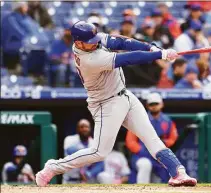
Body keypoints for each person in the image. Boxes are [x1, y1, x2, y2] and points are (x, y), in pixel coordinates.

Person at [35, 21, 197, 187]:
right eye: (91, 42)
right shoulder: (90, 60)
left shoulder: (89, 41)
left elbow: (119, 42)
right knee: (99, 152)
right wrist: (159, 55)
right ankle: (53, 167)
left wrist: (150, 47)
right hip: (106, 103)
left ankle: (178, 172)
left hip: (124, 95)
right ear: (78, 43)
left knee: (151, 137)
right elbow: (127, 58)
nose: (96, 43)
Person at [126, 93, 178, 183]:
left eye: (156, 104)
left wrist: (164, 144)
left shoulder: (167, 121)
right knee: (145, 164)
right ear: (147, 106)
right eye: (151, 104)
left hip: (159, 156)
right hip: (141, 156)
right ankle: (141, 189)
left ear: (162, 104)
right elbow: (130, 141)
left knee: (166, 173)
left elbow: (173, 138)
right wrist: (142, 150)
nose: (154, 106)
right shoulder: (140, 119)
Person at [1, 1, 46, 72]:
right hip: (14, 49)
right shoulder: (10, 18)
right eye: (25, 6)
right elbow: (17, 32)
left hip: (30, 46)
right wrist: (28, 40)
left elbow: (37, 30)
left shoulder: (27, 18)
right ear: (19, 7)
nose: (27, 7)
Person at [62, 119, 103, 184]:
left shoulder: (94, 143)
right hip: (70, 180)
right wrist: (91, 155)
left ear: (90, 129)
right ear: (77, 129)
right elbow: (70, 151)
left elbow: (101, 163)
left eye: (86, 127)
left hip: (86, 181)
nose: (84, 129)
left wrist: (88, 174)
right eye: (81, 127)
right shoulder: (69, 139)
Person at [49, 21, 74, 87]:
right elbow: (52, 58)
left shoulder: (74, 43)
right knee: (62, 68)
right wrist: (62, 60)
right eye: (67, 30)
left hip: (71, 65)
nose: (69, 32)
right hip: (59, 65)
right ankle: (60, 91)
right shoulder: (57, 43)